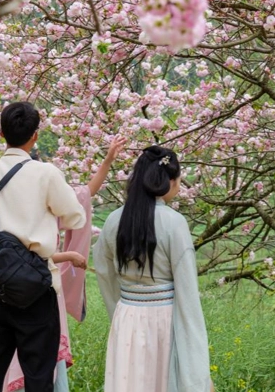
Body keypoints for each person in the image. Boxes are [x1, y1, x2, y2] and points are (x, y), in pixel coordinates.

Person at [0, 102, 86, 392]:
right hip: (38, 290)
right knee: (39, 377)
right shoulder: (46, 174)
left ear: (1, 132)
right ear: (35, 135)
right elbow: (75, 217)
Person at [3, 135, 128, 392]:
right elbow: (34, 254)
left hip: (14, 282)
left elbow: (85, 193)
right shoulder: (26, 197)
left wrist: (107, 160)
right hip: (40, 282)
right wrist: (69, 256)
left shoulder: (11, 196)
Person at [92, 146, 213, 392]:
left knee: (130, 382)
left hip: (126, 316)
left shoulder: (115, 219)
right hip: (164, 318)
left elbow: (103, 271)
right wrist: (197, 363)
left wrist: (121, 306)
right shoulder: (174, 222)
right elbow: (187, 291)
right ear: (169, 181)